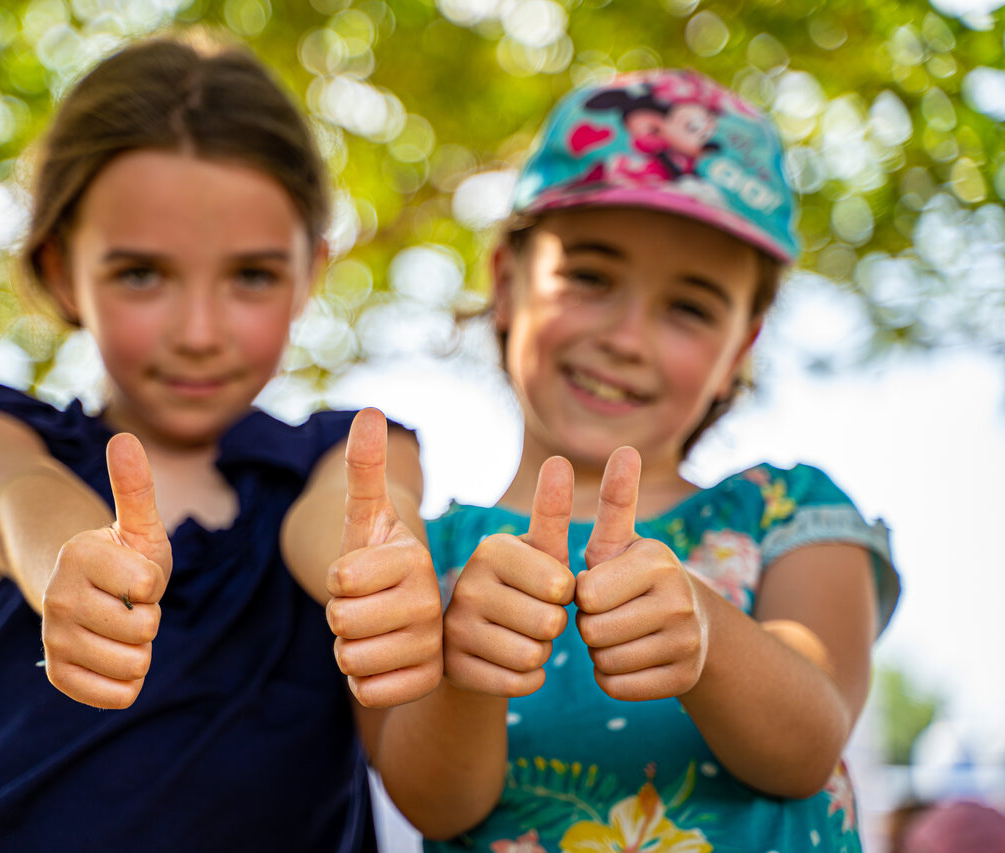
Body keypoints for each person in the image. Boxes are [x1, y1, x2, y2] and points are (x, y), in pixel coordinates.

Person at [0, 34, 442, 852]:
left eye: (251, 275)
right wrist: (76, 558)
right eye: (142, 273)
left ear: (310, 274)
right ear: (62, 269)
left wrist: (382, 574)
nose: (199, 332)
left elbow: (349, 524)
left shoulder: (349, 458)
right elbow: (16, 499)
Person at [373, 69, 900, 852]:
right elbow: (435, 805)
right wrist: (465, 667)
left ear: (739, 351)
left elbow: (810, 741)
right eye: (589, 276)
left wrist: (709, 633)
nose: (626, 337)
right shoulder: (425, 557)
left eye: (689, 306)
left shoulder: (788, 512)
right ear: (506, 282)